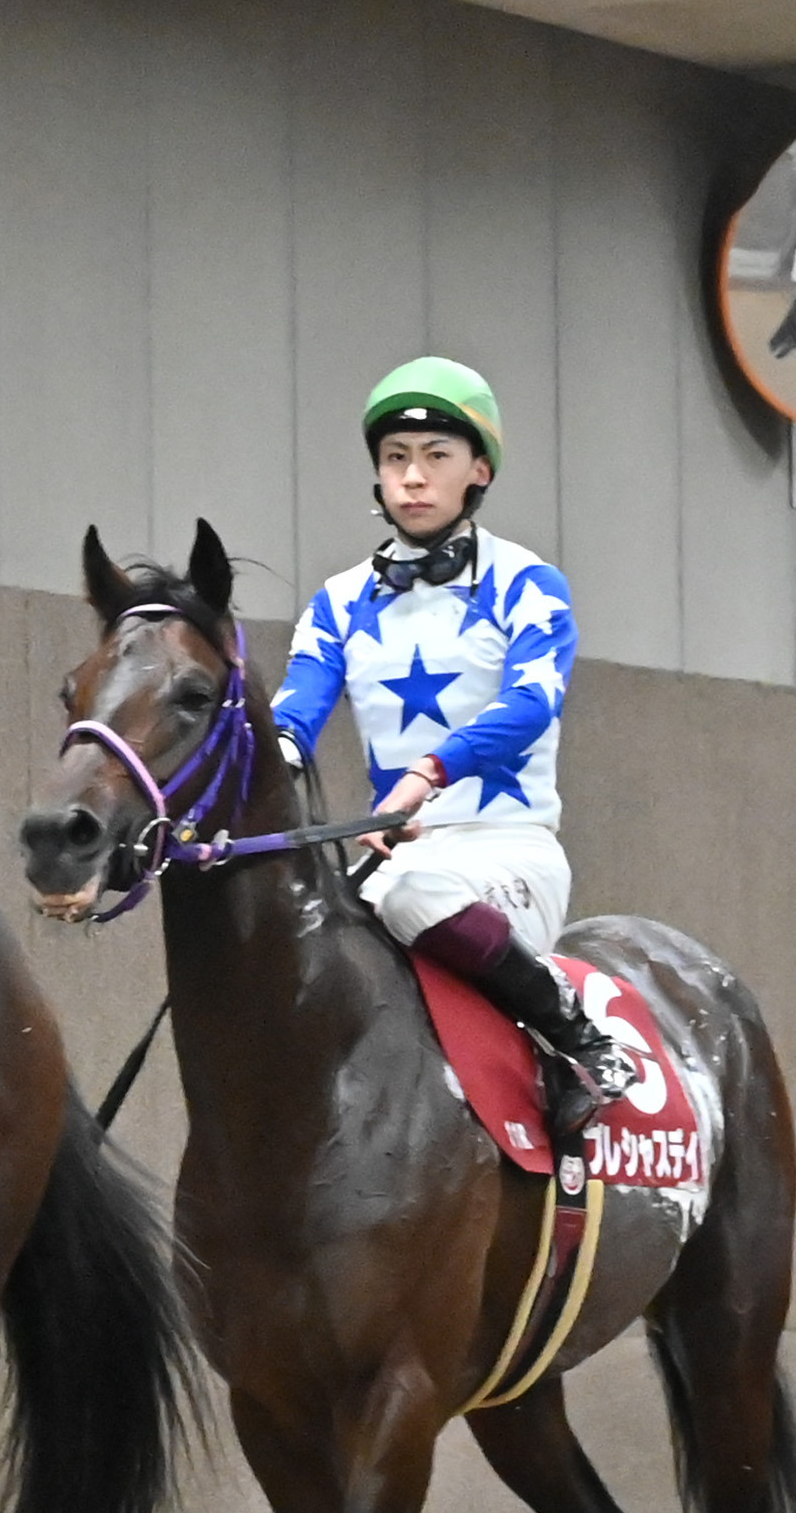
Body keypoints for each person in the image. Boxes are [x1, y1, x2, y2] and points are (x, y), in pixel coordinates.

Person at [271, 356, 635, 1145]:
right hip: (396, 860)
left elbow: (533, 702)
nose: (411, 477)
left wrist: (425, 775)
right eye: (395, 458)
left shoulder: (528, 582)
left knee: (405, 895)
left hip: (507, 851)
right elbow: (295, 713)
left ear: (477, 470)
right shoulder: (335, 602)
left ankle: (577, 1041)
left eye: (435, 457)